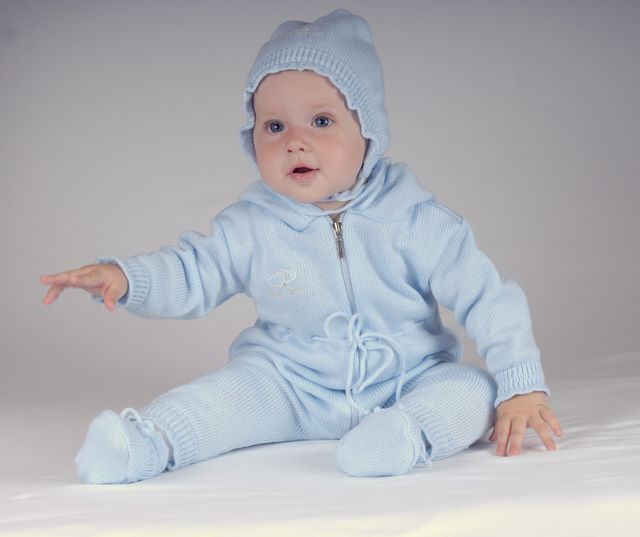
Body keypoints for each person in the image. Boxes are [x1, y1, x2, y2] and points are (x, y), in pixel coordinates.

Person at [40, 9, 563, 484]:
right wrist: (126, 278)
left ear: (369, 131)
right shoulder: (252, 224)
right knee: (220, 396)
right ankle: (144, 444)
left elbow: (486, 296)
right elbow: (192, 271)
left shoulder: (415, 219)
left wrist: (522, 385)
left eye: (321, 121)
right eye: (274, 126)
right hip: (287, 383)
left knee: (473, 390)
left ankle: (403, 435)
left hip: (407, 377)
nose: (295, 141)